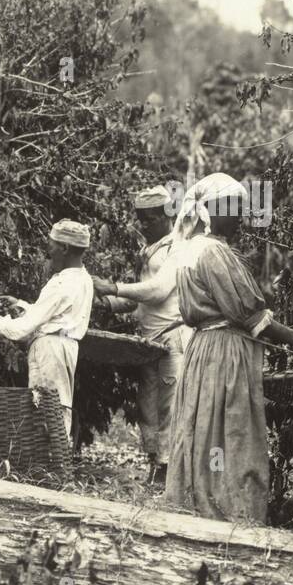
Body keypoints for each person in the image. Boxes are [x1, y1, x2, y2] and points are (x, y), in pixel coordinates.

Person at [97, 173, 293, 524]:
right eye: (231, 208)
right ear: (209, 210)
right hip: (224, 352)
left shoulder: (189, 250)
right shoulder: (214, 252)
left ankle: (201, 501)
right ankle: (231, 510)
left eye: (241, 208)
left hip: (204, 349)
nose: (240, 217)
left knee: (204, 425)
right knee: (231, 428)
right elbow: (249, 314)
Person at [94, 185, 193, 484]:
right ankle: (155, 464)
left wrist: (113, 287)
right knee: (148, 406)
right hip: (148, 341)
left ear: (168, 215)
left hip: (172, 337)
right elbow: (137, 300)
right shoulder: (147, 250)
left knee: (169, 408)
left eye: (150, 219)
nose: (144, 225)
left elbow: (158, 290)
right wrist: (106, 302)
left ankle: (168, 471)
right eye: (141, 219)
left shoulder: (179, 247)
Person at [0, 219, 93, 443]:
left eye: (52, 246)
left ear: (65, 248)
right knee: (58, 404)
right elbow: (55, 314)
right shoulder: (83, 279)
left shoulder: (61, 284)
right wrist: (21, 304)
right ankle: (55, 459)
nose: (49, 251)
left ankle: (50, 462)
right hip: (65, 346)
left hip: (51, 350)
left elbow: (25, 328)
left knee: (46, 406)